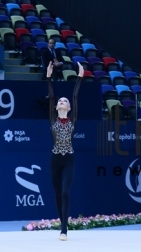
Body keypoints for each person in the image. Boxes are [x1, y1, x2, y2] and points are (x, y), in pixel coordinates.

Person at [46, 61, 84, 241]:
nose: (62, 102)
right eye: (60, 101)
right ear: (57, 107)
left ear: (68, 108)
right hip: (55, 159)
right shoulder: (53, 118)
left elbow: (75, 96)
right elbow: (52, 96)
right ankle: (62, 223)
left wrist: (80, 77)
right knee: (56, 192)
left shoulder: (72, 119)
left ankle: (64, 229)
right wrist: (48, 76)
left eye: (65, 101)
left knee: (65, 191)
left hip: (68, 157)